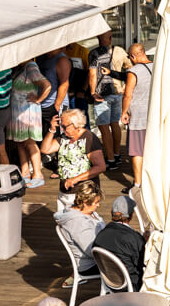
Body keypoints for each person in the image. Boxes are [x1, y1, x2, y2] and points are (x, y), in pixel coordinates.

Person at [40, 108, 105, 212]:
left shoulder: (89, 138)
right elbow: (45, 149)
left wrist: (75, 179)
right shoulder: (64, 138)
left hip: (83, 194)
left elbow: (100, 167)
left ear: (76, 125)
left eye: (64, 126)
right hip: (65, 191)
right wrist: (51, 130)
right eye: (61, 126)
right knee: (63, 220)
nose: (62, 129)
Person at [88, 31, 127, 170]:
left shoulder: (94, 53)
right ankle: (116, 154)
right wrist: (125, 85)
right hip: (117, 92)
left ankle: (110, 160)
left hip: (102, 94)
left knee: (104, 128)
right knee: (115, 124)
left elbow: (92, 75)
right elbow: (130, 67)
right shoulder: (119, 51)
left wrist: (92, 92)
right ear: (110, 38)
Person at [9, 59, 51, 189]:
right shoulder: (20, 68)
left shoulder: (31, 67)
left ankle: (38, 174)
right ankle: (25, 172)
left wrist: (39, 99)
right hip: (19, 113)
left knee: (29, 142)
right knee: (20, 142)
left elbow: (47, 85)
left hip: (27, 113)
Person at [92, 194, 145, 291]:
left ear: (112, 213)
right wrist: (145, 242)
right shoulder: (133, 238)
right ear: (131, 215)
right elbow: (142, 263)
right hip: (131, 285)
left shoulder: (100, 235)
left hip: (110, 283)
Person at [118, 44, 152, 192]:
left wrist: (124, 112)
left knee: (137, 151)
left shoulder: (134, 71)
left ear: (133, 56)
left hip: (138, 116)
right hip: (154, 115)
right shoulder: (157, 67)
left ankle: (138, 184)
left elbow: (128, 94)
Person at [52, 181, 103, 275]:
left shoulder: (88, 211)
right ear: (85, 203)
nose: (98, 205)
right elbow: (91, 250)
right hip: (91, 264)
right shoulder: (77, 222)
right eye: (96, 202)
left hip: (100, 255)